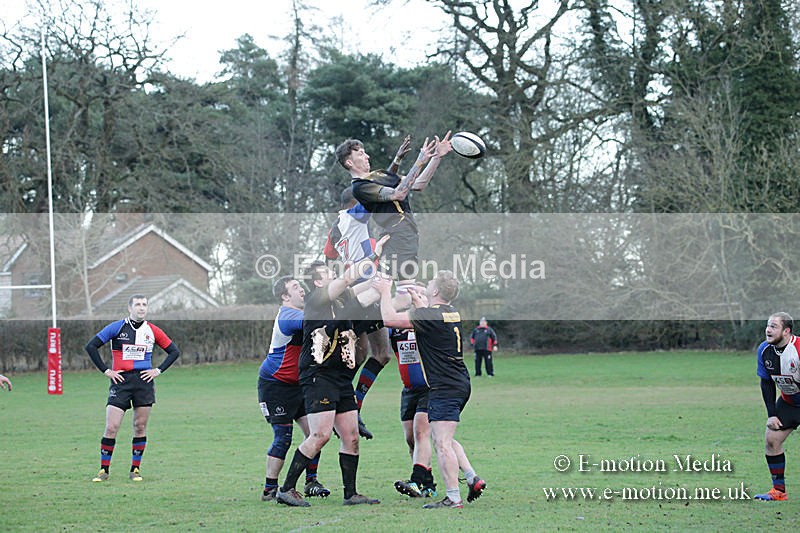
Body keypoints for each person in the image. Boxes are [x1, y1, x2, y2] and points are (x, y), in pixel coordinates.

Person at [275, 238, 388, 507]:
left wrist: (389, 276)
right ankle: (286, 489)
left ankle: (351, 494)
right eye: (328, 274)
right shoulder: (317, 299)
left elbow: (371, 289)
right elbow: (349, 279)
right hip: (318, 375)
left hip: (340, 377)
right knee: (321, 435)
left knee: (350, 436)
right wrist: (373, 253)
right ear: (317, 282)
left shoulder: (342, 304)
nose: (333, 276)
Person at [375, 270, 486, 509]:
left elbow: (388, 318)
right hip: (458, 382)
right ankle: (471, 478)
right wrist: (418, 302)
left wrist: (384, 291)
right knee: (441, 436)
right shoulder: (450, 312)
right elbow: (428, 316)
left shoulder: (428, 315)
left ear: (435, 291)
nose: (426, 284)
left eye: (430, 283)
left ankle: (453, 498)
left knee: (442, 443)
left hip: (444, 386)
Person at [339, 132, 452, 295]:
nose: (367, 156)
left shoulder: (375, 176)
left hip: (406, 234)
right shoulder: (360, 187)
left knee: (401, 292)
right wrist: (420, 160)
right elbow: (399, 193)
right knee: (380, 290)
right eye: (361, 153)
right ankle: (342, 300)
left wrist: (436, 157)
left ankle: (344, 298)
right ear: (350, 162)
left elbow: (418, 183)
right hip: (399, 234)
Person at [85, 294, 180, 482]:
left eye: (144, 304)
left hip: (143, 382)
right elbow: (91, 346)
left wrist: (157, 370)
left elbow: (174, 351)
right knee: (111, 427)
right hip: (120, 381)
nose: (141, 308)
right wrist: (106, 371)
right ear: (130, 308)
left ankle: (135, 469)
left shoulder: (152, 330)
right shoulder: (117, 327)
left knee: (139, 426)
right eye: (137, 304)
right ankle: (104, 470)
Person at [257, 276, 330, 501]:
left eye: (301, 286)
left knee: (315, 434)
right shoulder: (288, 315)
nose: (302, 289)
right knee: (283, 438)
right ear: (285, 296)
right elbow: (313, 321)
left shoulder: (303, 312)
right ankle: (270, 488)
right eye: (295, 287)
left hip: (299, 385)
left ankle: (311, 482)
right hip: (275, 385)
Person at [755, 311, 800, 501]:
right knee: (771, 439)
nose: (768, 330)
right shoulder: (764, 350)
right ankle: (779, 491)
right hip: (789, 403)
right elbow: (766, 383)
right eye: (767, 325)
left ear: (786, 331)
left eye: (774, 326)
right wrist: (771, 414)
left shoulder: (798, 349)